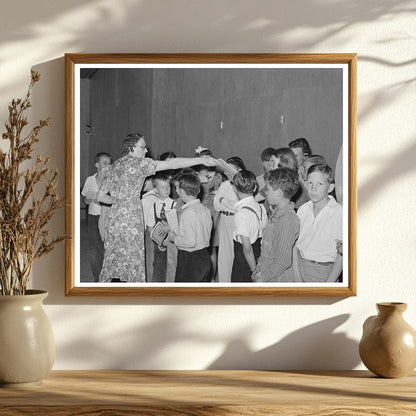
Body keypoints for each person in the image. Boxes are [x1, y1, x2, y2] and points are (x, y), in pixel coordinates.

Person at [96, 133, 216, 283]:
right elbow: (172, 164)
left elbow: (100, 197)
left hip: (114, 222)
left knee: (114, 263)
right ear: (131, 148)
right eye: (142, 147)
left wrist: (120, 201)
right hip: (131, 222)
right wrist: (201, 160)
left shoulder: (113, 167)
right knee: (133, 266)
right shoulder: (139, 164)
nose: (146, 151)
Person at [293, 164, 343, 283]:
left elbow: (342, 254)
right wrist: (297, 275)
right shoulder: (303, 209)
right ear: (305, 184)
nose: (313, 189)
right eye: (310, 183)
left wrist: (329, 283)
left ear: (330, 187)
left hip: (324, 271)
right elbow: (294, 245)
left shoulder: (339, 213)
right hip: (299, 266)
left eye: (320, 184)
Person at [252, 168, 300, 282]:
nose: (266, 192)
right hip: (267, 273)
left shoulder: (286, 220)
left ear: (278, 193)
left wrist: (263, 278)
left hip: (278, 279)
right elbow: (267, 249)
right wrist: (258, 268)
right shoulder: (276, 215)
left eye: (267, 189)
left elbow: (283, 261)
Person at [168, 171, 212, 282]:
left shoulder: (188, 213)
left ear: (182, 191)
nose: (176, 191)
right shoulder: (205, 210)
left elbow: (190, 242)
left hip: (190, 260)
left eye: (177, 188)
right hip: (204, 257)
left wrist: (173, 238)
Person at [213, 156, 246, 283]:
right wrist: (224, 202)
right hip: (224, 221)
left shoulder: (242, 185)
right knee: (224, 257)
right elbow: (216, 205)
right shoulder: (224, 184)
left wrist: (222, 200)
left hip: (236, 221)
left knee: (236, 255)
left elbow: (238, 206)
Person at [231, 170, 267, 283]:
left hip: (245, 260)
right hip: (259, 253)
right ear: (255, 188)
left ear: (234, 189)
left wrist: (253, 270)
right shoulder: (261, 207)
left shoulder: (241, 214)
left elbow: (247, 248)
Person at [81, 152, 112, 281]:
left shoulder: (112, 179)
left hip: (109, 217)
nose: (108, 166)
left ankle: (110, 275)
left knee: (108, 246)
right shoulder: (90, 180)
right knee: (94, 248)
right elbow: (85, 198)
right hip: (93, 216)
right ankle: (98, 277)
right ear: (97, 165)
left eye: (110, 163)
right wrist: (87, 200)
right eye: (105, 163)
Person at [142, 173, 176, 282]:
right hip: (158, 244)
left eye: (168, 186)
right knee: (158, 268)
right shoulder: (152, 207)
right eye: (163, 187)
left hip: (172, 244)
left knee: (172, 269)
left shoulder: (174, 205)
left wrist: (168, 241)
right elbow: (150, 227)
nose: (166, 189)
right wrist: (159, 242)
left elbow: (176, 227)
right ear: (156, 190)